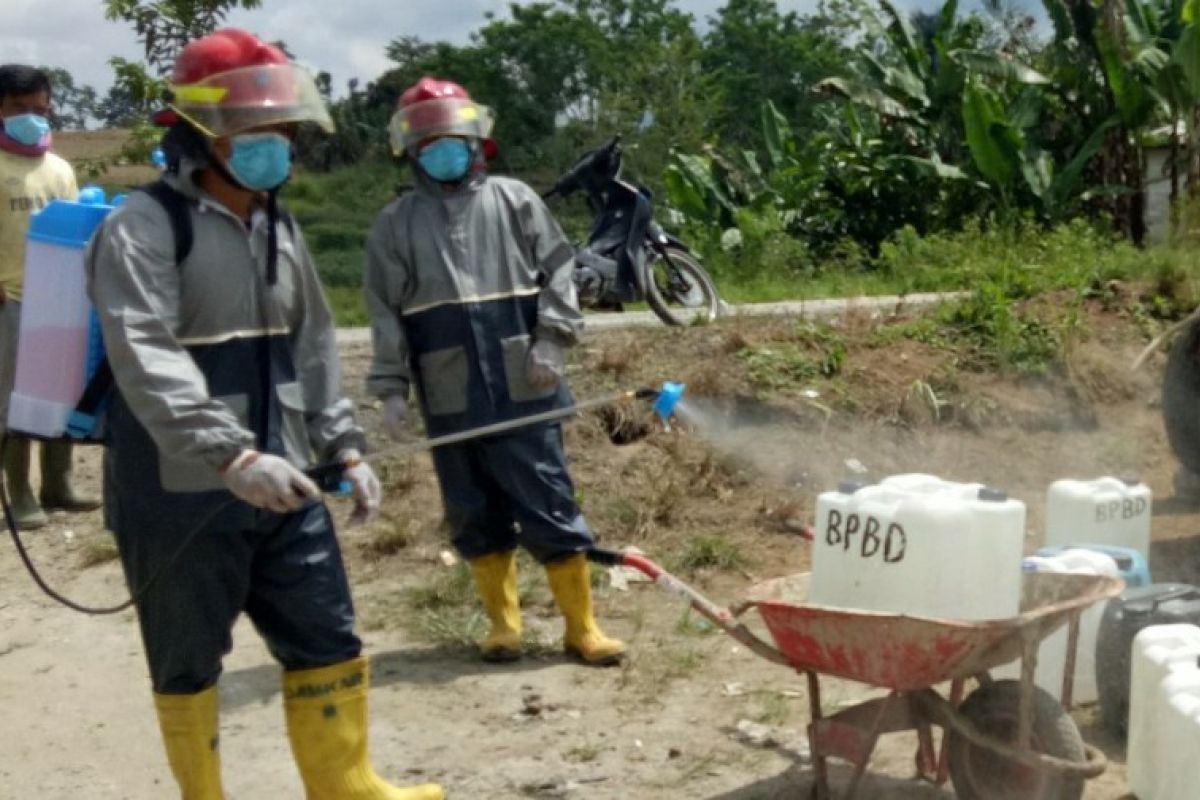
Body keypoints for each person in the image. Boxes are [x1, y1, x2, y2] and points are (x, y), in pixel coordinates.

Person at [85, 29, 442, 800]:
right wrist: (230, 455)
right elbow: (144, 352)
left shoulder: (279, 225)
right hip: (179, 487)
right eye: (255, 134)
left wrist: (344, 447)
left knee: (326, 632)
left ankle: (346, 785)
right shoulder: (141, 228)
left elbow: (311, 346)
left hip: (289, 480)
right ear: (204, 134)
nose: (274, 149)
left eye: (281, 132)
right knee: (186, 655)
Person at [365, 77, 626, 667]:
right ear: (411, 150)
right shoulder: (395, 225)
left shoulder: (514, 201)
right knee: (472, 509)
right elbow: (384, 313)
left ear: (475, 139)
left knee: (549, 502)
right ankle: (503, 626)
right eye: (428, 142)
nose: (442, 150)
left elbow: (560, 272)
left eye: (451, 138)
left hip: (526, 382)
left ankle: (581, 629)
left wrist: (553, 341)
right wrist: (391, 391)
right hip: (448, 388)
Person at [0, 64, 99, 530]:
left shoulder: (59, 168)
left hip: (60, 298)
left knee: (62, 390)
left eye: (40, 109)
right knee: (14, 400)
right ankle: (17, 493)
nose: (32, 118)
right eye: (19, 109)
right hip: (10, 298)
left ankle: (57, 484)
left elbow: (80, 227)